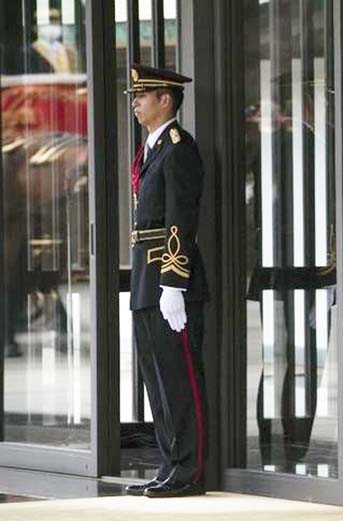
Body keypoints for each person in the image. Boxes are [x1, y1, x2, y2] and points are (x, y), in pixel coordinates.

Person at [122, 64, 210, 498]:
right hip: (146, 277)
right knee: (156, 379)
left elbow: (181, 216)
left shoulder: (179, 148)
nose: (135, 102)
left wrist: (173, 281)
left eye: (143, 95)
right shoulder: (152, 148)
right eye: (134, 96)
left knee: (180, 378)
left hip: (170, 280)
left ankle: (188, 470)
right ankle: (169, 462)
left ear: (166, 101)